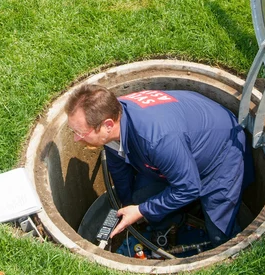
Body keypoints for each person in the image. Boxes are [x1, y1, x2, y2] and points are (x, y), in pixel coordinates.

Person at [66, 84, 254, 247]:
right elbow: (118, 166)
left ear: (107, 125)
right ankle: (172, 223)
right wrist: (128, 204)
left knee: (219, 231)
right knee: (140, 197)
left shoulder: (157, 140)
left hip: (221, 152)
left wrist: (141, 211)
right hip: (181, 144)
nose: (76, 138)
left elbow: (189, 188)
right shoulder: (114, 116)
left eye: (80, 132)